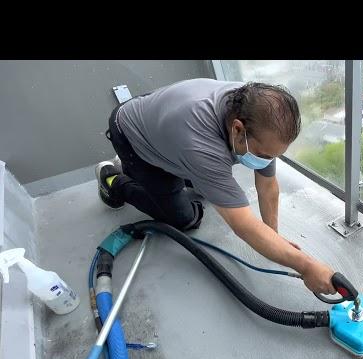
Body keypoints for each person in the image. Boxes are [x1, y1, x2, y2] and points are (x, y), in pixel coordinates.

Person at [97, 78, 336, 295]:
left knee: (206, 187)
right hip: (130, 133)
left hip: (161, 119)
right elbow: (242, 225)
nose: (266, 161)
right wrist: (306, 266)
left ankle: (166, 167)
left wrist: (275, 237)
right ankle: (113, 180)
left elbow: (267, 185)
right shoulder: (201, 145)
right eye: (263, 154)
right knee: (186, 219)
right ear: (237, 129)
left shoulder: (253, 108)